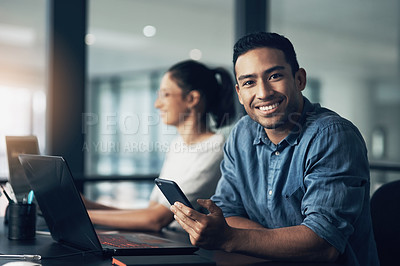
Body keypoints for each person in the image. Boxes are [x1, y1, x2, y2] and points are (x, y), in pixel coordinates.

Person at [171, 32, 379, 265]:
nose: (263, 93)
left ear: (299, 79)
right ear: (239, 94)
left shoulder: (333, 136)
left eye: (275, 76)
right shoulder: (242, 133)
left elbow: (323, 243)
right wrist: (281, 241)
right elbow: (227, 213)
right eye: (249, 82)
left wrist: (232, 238)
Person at [86, 60, 236, 231]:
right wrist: (88, 206)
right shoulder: (177, 145)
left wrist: (84, 214)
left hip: (188, 246)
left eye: (165, 94)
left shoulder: (215, 148)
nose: (157, 104)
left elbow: (156, 219)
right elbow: (150, 211)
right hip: (168, 238)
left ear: (192, 98)